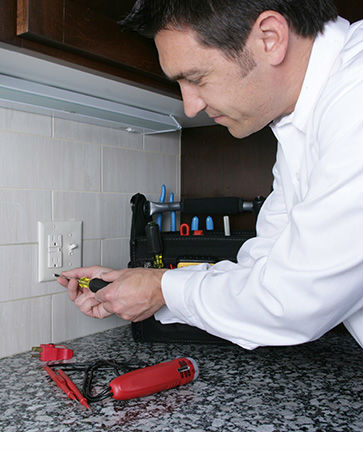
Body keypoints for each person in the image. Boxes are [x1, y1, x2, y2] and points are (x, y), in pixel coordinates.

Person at [57, 0, 363, 349]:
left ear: (270, 38)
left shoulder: (356, 99)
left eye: (197, 78)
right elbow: (263, 269)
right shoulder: (299, 124)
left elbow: (294, 300)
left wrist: (160, 289)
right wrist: (151, 285)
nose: (191, 106)